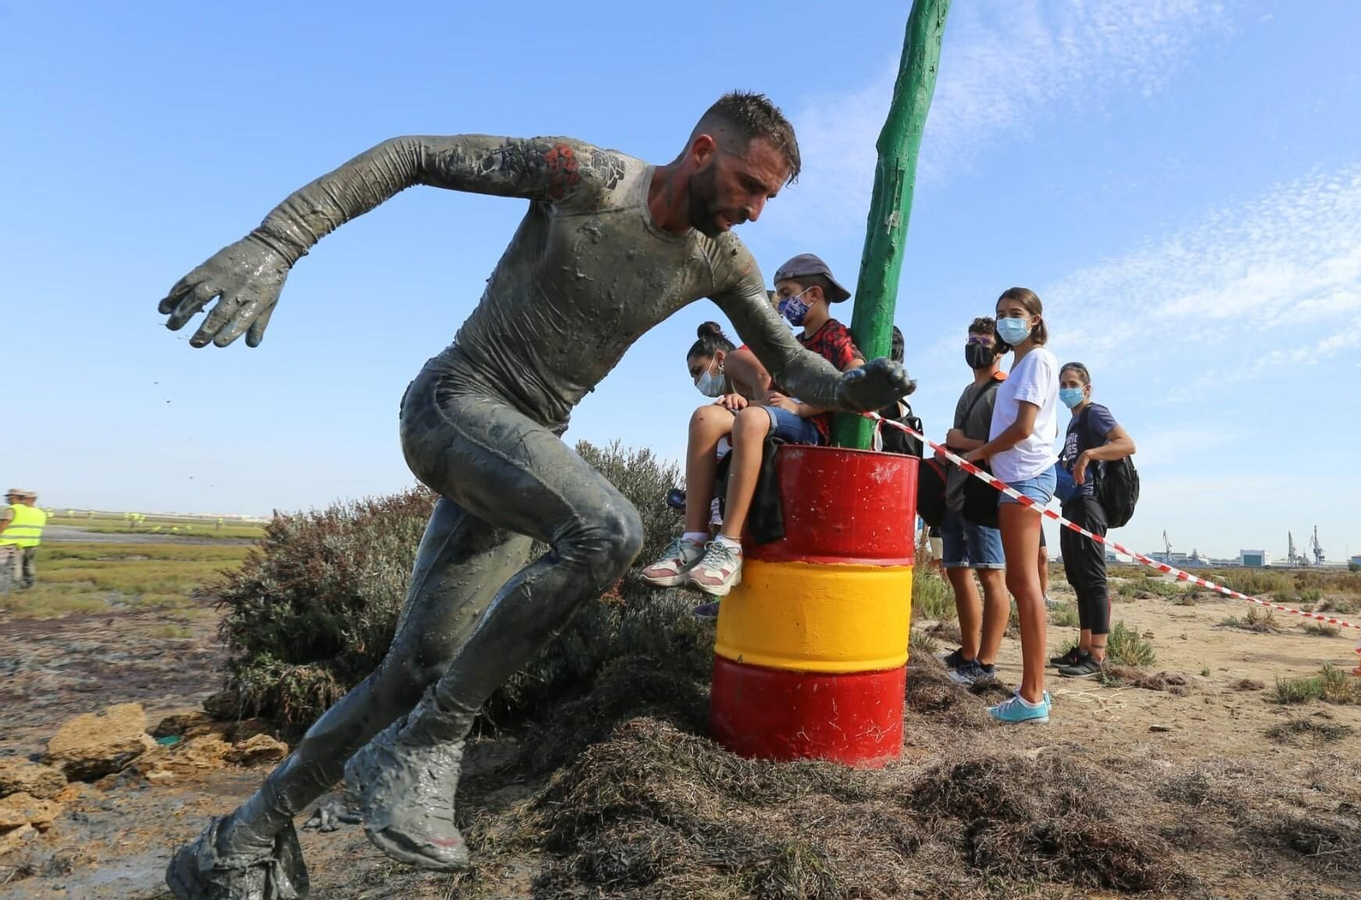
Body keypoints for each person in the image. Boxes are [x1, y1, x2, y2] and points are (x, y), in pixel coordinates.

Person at [156, 92, 913, 898]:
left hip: (519, 448)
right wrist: (276, 243)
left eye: (769, 197)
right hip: (456, 402)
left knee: (414, 669)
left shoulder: (721, 261)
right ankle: (427, 742)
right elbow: (413, 154)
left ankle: (239, 841)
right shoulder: (582, 176)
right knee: (609, 530)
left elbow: (790, 363)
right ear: (702, 150)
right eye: (749, 185)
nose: (756, 210)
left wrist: (852, 388)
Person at [643, 253, 862, 601]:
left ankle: (729, 545)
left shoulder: (834, 336)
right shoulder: (795, 345)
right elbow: (772, 397)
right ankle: (693, 540)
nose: (782, 303)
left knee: (750, 419)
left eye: (786, 293)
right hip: (776, 415)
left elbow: (856, 380)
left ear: (814, 294)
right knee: (705, 417)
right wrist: (746, 401)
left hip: (811, 426)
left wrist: (802, 407)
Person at [963, 288, 1058, 723]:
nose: (1006, 320)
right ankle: (1034, 690)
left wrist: (979, 453)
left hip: (1024, 478)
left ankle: (1031, 696)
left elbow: (1023, 428)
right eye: (1001, 313)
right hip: (1014, 477)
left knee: (1024, 584)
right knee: (1022, 582)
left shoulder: (1036, 360)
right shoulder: (1022, 363)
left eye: (1015, 313)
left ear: (1035, 319)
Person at [1051, 363, 1136, 678]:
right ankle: (1083, 649)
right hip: (1072, 504)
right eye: (1062, 384)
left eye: (1072, 383)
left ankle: (1097, 655)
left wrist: (1089, 455)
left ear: (1086, 389)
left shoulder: (1094, 413)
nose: (1066, 389)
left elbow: (1126, 444)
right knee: (1078, 579)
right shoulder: (1074, 423)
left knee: (1093, 579)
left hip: (1090, 503)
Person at [939, 318, 1009, 687]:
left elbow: (1009, 442)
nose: (975, 347)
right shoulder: (968, 390)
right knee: (957, 570)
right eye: (971, 340)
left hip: (985, 492)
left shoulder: (1004, 391)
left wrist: (959, 443)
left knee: (990, 574)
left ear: (1001, 348)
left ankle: (986, 663)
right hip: (957, 490)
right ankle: (967, 653)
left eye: (983, 341)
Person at [680, 321, 770, 535]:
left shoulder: (735, 359)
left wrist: (748, 404)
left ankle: (698, 535)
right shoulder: (732, 390)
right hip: (759, 420)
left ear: (720, 358)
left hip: (783, 414)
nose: (697, 382)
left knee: (706, 419)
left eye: (698, 371)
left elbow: (769, 388)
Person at [0, 489, 46, 590]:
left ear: (13, 497)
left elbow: (2, 526)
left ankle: (13, 587)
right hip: (33, 543)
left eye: (9, 496)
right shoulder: (40, 512)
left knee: (14, 566)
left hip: (17, 543)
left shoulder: (13, 509)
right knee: (28, 564)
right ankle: (29, 583)